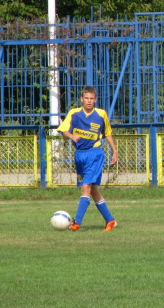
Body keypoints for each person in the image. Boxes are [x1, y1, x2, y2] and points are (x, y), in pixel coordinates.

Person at [57, 86, 118, 231]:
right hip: (79, 155)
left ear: (95, 100)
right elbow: (63, 129)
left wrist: (114, 151)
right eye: (87, 98)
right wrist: (71, 136)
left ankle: (76, 222)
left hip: (95, 154)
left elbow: (107, 133)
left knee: (86, 187)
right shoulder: (74, 113)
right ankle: (110, 220)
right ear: (82, 99)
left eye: (92, 99)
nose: (89, 101)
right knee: (93, 189)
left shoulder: (101, 114)